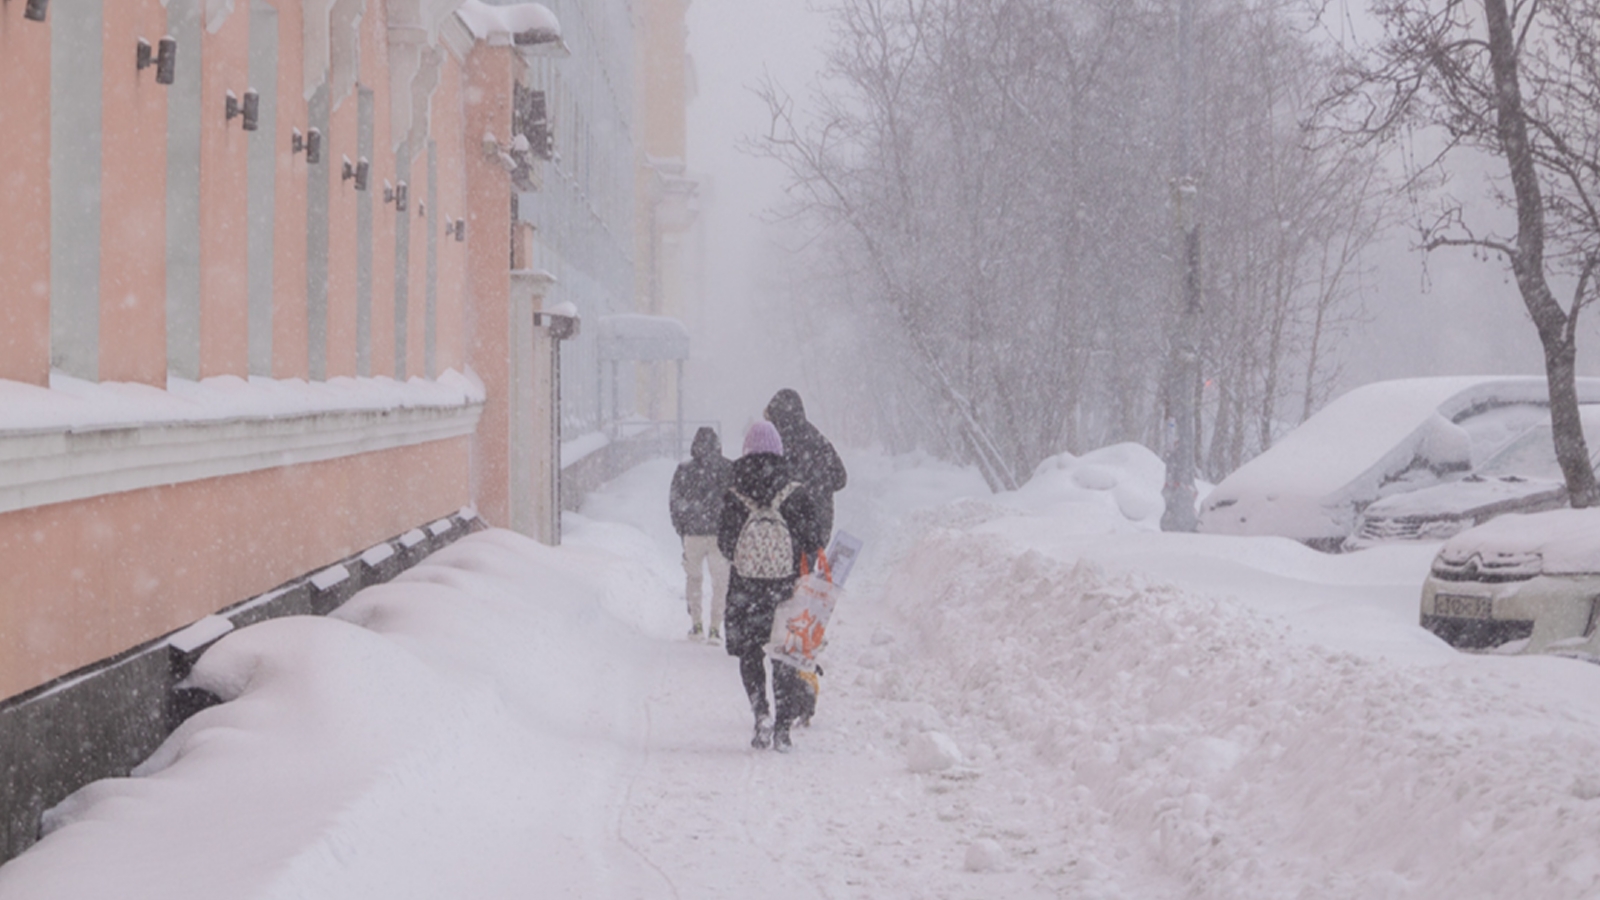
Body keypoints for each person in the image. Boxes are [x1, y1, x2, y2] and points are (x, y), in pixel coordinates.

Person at [719, 421, 825, 752]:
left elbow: (724, 544)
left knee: (750, 654)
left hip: (745, 589)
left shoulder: (735, 492)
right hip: (786, 590)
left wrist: (749, 558)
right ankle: (782, 729)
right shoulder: (796, 491)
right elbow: (814, 540)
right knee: (784, 655)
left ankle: (760, 712)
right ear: (779, 450)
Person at [669, 426, 733, 641]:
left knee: (694, 579)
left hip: (693, 535)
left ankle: (696, 625)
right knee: (720, 583)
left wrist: (682, 527)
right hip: (720, 535)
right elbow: (735, 504)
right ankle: (716, 628)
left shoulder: (684, 470)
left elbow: (675, 503)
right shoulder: (728, 469)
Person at [764, 389, 848, 541]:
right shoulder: (817, 439)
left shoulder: (775, 443)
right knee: (808, 562)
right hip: (819, 523)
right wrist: (818, 486)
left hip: (784, 526)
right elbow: (840, 478)